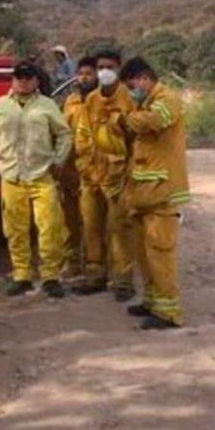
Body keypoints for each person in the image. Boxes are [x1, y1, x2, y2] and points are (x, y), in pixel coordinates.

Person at [0, 61, 72, 299]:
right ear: (13, 80)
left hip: (41, 175)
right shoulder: (1, 106)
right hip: (12, 176)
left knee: (49, 227)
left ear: (36, 80)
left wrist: (58, 160)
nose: (23, 81)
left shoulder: (47, 105)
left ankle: (50, 276)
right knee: (15, 229)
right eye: (19, 77)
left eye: (28, 77)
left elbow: (64, 134)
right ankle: (21, 275)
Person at [115, 57, 190, 329]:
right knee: (145, 254)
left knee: (160, 253)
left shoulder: (167, 99)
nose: (131, 90)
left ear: (145, 78)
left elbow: (154, 121)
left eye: (132, 85)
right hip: (144, 195)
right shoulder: (144, 103)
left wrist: (127, 118)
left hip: (162, 194)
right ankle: (152, 301)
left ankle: (169, 312)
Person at [73, 50, 136, 301]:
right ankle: (94, 276)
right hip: (91, 176)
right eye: (100, 67)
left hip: (118, 175)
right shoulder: (90, 101)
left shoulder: (130, 99)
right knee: (91, 226)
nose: (104, 72)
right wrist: (85, 165)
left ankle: (122, 281)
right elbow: (82, 134)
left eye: (109, 66)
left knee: (120, 228)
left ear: (119, 68)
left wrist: (128, 168)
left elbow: (136, 139)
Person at [58, 56, 98, 279]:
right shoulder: (71, 101)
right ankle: (72, 262)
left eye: (88, 73)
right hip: (70, 171)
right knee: (70, 222)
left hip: (95, 171)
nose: (83, 77)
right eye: (81, 73)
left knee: (93, 222)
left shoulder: (102, 100)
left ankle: (96, 265)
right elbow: (64, 132)